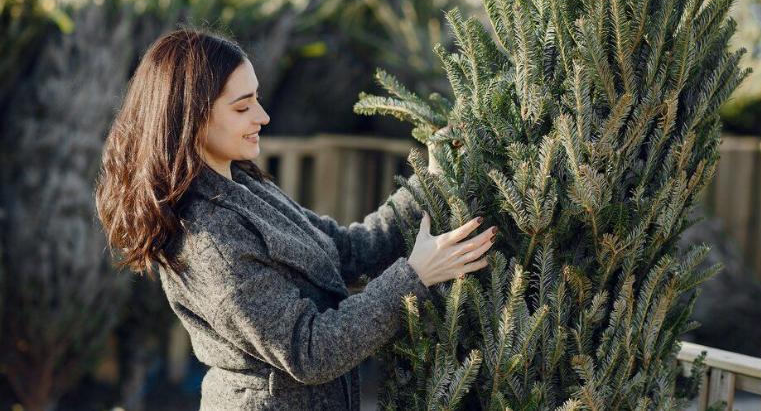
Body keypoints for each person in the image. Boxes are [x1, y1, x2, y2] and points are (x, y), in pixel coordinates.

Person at [94, 27, 496, 410]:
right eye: (242, 106)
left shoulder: (243, 185)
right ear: (191, 117)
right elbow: (310, 351)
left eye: (257, 99)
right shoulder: (209, 240)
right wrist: (414, 276)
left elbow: (349, 249)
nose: (263, 117)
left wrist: (430, 182)